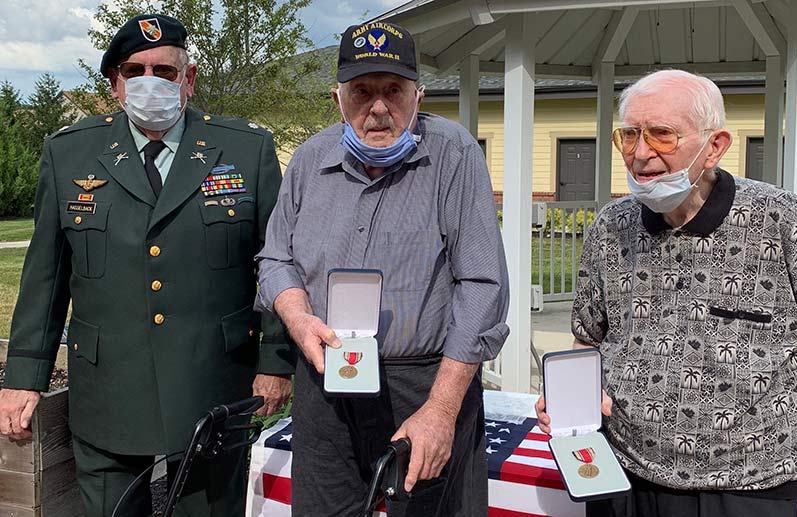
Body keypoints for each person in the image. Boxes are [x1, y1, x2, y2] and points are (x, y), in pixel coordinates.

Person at [0, 13, 293, 516]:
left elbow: (277, 263)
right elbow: (46, 276)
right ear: (115, 84)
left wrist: (276, 362)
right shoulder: (70, 153)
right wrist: (25, 375)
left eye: (165, 70)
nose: (149, 82)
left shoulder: (246, 149)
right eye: (135, 71)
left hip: (213, 386)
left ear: (189, 79)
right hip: (109, 390)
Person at [536, 69, 797, 517]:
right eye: (628, 135)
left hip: (749, 493)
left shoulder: (780, 222)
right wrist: (573, 403)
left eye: (662, 135)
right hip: (623, 481)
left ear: (715, 146)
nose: (641, 154)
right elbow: (588, 339)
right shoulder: (611, 227)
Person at [255, 21, 509, 516]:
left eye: (393, 90)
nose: (377, 107)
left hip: (424, 384)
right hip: (325, 379)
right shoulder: (309, 160)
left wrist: (440, 410)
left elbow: (482, 286)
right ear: (338, 98)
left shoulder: (454, 154)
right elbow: (275, 259)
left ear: (418, 95)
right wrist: (298, 317)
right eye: (362, 91)